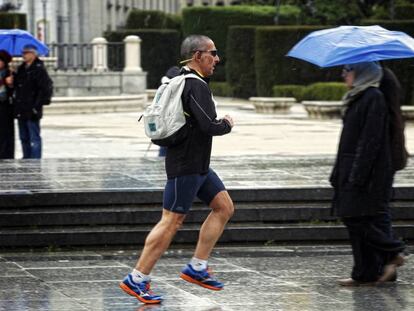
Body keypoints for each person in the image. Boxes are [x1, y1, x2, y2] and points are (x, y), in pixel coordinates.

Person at [120, 35, 234, 304]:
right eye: (212, 53)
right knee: (170, 221)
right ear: (197, 55)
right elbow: (209, 126)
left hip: (199, 165)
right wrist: (227, 123)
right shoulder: (195, 85)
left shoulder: (180, 77)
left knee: (225, 207)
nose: (217, 58)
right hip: (186, 166)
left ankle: (197, 267)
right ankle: (136, 278)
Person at [330, 62, 406, 286]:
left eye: (348, 70)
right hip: (349, 167)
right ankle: (365, 273)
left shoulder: (373, 97)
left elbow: (369, 142)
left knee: (355, 217)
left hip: (366, 171)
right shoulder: (358, 95)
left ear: (363, 72)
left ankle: (394, 250)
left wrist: (358, 175)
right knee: (355, 218)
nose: (344, 74)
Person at [13, 44, 53, 159]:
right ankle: (26, 158)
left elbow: (46, 88)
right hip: (21, 108)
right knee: (24, 137)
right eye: (22, 53)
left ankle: (35, 160)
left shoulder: (39, 69)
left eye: (26, 53)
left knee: (34, 137)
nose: (23, 55)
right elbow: (17, 85)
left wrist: (37, 105)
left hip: (32, 109)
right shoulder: (21, 69)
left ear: (33, 54)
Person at [158, 66, 181, 157]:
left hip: (164, 124)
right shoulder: (177, 87)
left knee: (164, 147)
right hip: (173, 124)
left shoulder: (164, 87)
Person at [0, 50, 15, 159]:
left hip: (5, 106)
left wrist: (10, 85)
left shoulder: (9, 73)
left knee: (5, 132)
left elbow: (15, 91)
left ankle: (6, 154)